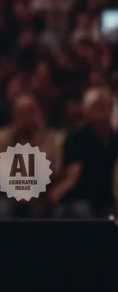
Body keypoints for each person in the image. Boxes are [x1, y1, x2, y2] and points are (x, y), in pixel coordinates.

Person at [49, 87, 118, 217]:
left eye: (106, 106)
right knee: (82, 211)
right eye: (96, 106)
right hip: (79, 198)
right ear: (86, 111)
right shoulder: (75, 139)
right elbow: (71, 175)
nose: (102, 111)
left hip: (109, 200)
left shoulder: (114, 139)